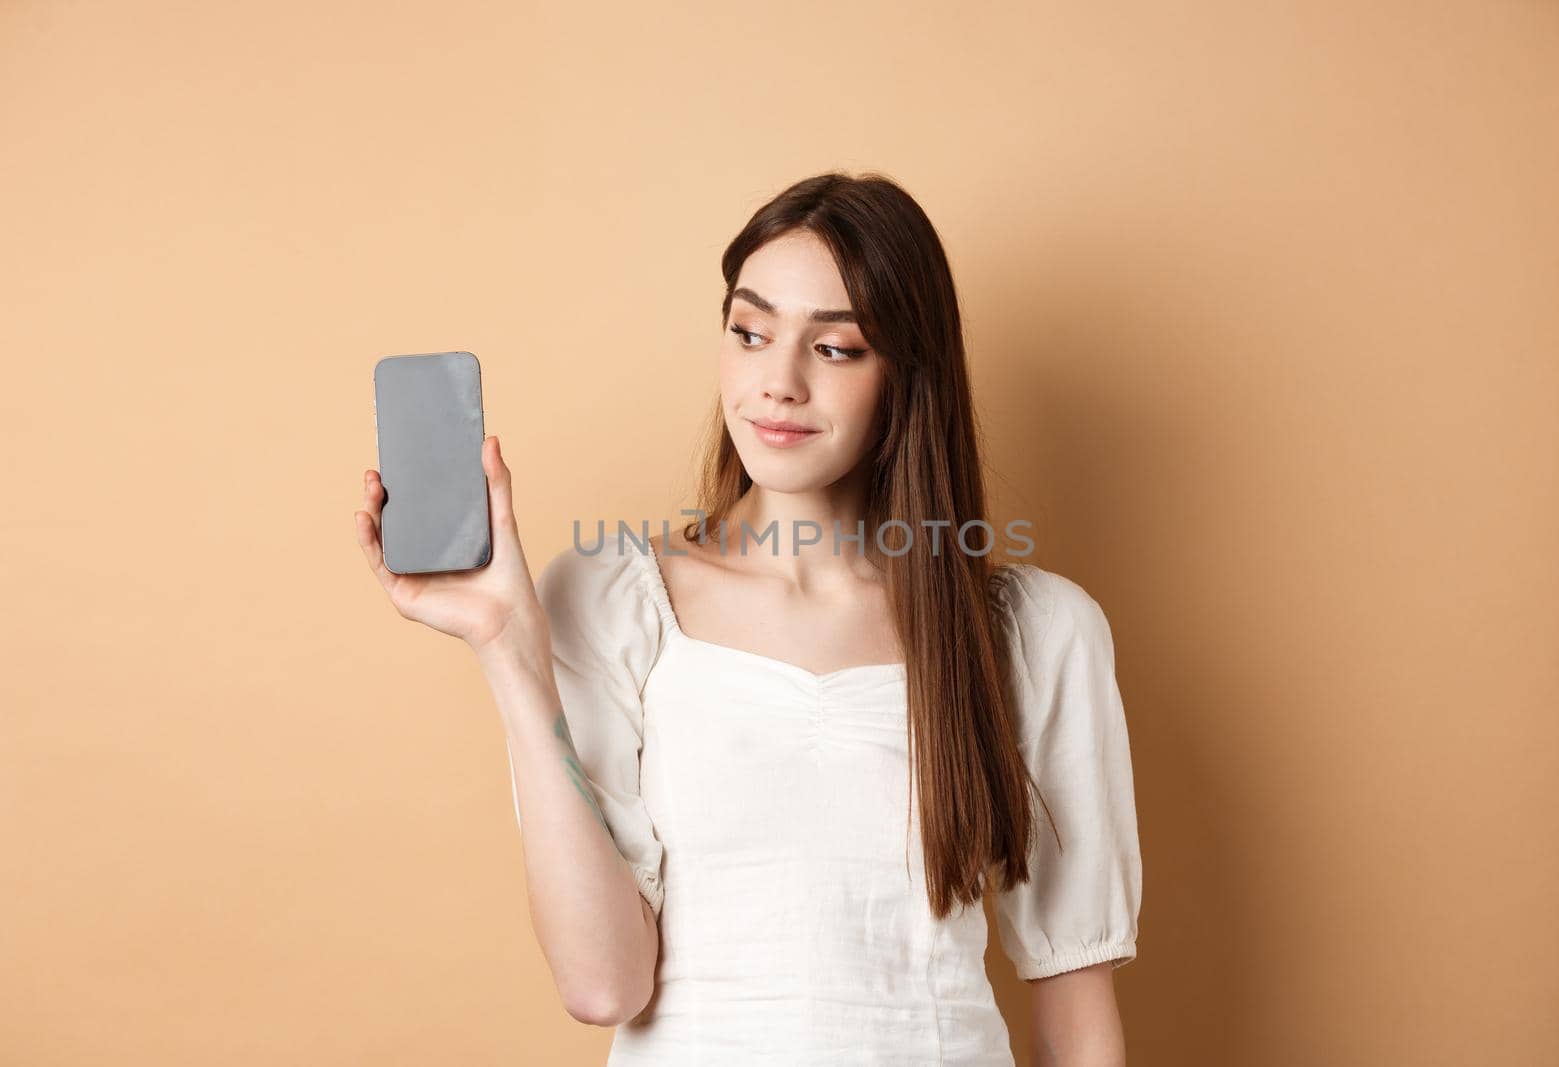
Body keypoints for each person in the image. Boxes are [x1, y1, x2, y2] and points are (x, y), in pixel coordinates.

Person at [354, 171, 1142, 1065]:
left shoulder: (1034, 634)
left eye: (836, 348)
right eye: (750, 332)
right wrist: (507, 650)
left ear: (907, 375)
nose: (778, 383)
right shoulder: (608, 598)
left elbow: (1077, 1014)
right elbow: (604, 984)